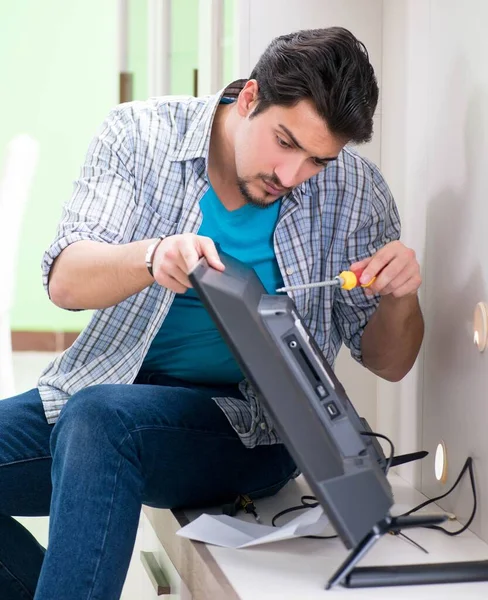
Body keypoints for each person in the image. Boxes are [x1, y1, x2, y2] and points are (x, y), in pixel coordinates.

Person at [0, 27, 423, 599]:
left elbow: (390, 363)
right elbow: (66, 282)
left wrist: (399, 295)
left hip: (250, 428)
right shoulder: (139, 134)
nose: (292, 175)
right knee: (98, 413)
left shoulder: (356, 192)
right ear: (248, 97)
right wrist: (151, 256)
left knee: (100, 420)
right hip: (112, 387)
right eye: (284, 142)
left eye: (317, 161)